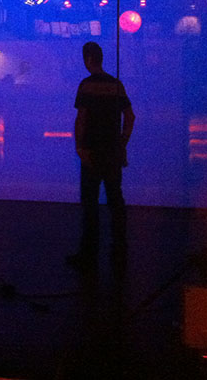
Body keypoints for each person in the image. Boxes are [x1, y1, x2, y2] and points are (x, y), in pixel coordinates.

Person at [67, 41, 135, 274]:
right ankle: (119, 250)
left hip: (92, 153)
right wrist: (122, 143)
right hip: (112, 153)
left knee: (90, 204)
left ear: (88, 59)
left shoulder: (86, 85)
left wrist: (80, 147)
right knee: (116, 201)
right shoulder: (116, 85)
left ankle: (89, 254)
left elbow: (81, 119)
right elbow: (130, 116)